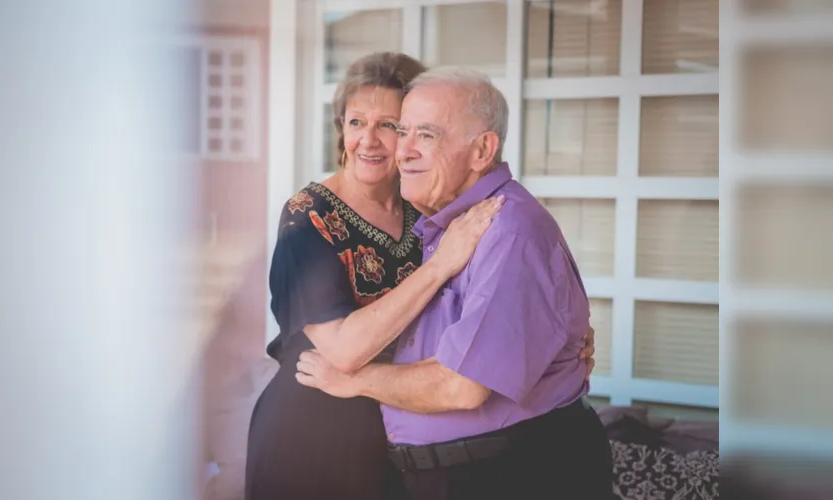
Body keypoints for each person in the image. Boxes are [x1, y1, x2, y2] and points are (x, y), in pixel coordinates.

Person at [245, 53, 596, 500]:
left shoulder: (430, 206)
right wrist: (439, 266)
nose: (372, 141)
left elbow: (508, 288)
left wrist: (561, 332)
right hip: (315, 432)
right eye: (356, 122)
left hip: (394, 441)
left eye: (394, 126)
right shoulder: (308, 217)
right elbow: (344, 352)